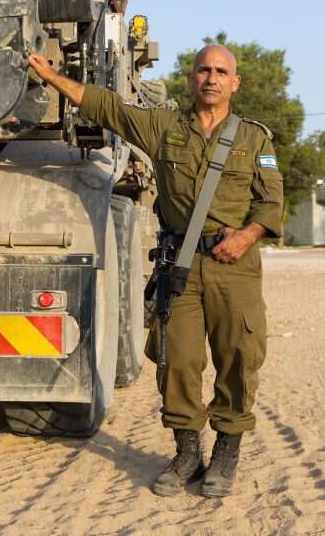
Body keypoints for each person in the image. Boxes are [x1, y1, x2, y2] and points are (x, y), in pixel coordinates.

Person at [27, 45, 283, 498]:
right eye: (204, 70)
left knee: (238, 357)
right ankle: (187, 453)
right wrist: (52, 77)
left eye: (222, 72)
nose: (212, 78)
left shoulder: (256, 140)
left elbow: (271, 203)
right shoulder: (165, 128)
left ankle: (226, 453)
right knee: (177, 362)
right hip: (179, 266)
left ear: (234, 83)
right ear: (191, 79)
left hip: (235, 268)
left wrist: (246, 236)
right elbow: (107, 106)